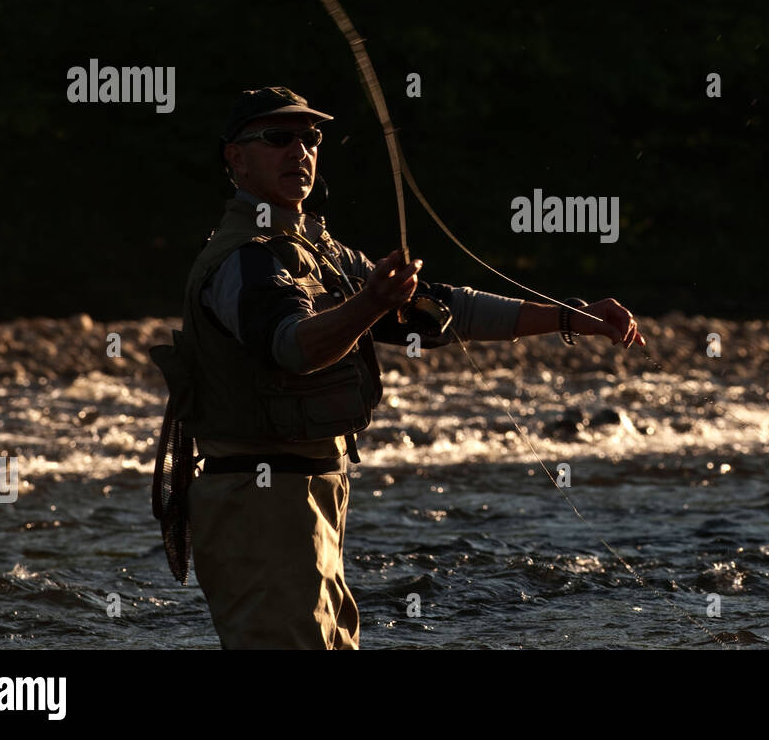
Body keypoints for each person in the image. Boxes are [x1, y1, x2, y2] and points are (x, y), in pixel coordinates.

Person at [154, 86, 645, 650]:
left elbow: (444, 310)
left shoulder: (318, 249)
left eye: (310, 137)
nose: (300, 150)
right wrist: (370, 305)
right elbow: (291, 345)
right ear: (234, 158)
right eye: (277, 138)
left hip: (311, 492)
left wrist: (572, 317)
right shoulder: (243, 258)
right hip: (258, 502)